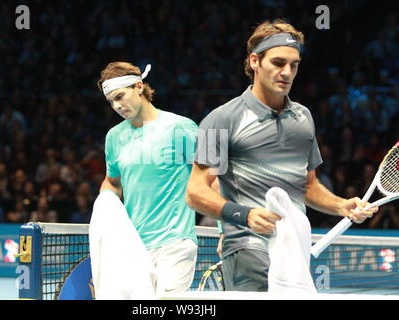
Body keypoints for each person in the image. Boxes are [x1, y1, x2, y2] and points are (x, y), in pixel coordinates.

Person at [186, 19, 378, 292]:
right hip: (247, 248)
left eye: (294, 65)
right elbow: (194, 192)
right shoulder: (220, 119)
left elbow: (308, 186)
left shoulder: (303, 117)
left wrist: (340, 205)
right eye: (278, 63)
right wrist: (244, 214)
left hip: (293, 251)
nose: (287, 72)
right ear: (255, 62)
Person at [96, 62, 198, 293]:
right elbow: (112, 182)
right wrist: (103, 207)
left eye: (120, 96)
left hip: (176, 241)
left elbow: (214, 177)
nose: (117, 105)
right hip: (133, 246)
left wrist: (225, 230)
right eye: (111, 101)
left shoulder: (182, 127)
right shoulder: (114, 137)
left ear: (139, 87)